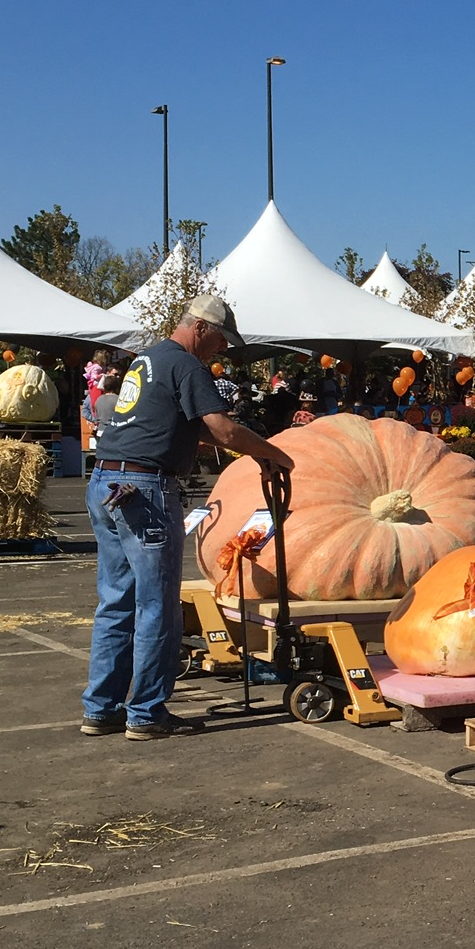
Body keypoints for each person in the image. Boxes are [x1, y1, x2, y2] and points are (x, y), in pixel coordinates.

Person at [83, 295, 293, 742]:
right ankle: (146, 713)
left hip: (106, 481)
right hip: (143, 489)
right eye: (219, 340)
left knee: (117, 601)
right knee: (158, 607)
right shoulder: (187, 364)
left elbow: (183, 425)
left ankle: (101, 709)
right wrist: (274, 453)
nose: (221, 350)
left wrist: (248, 454)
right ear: (200, 328)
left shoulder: (149, 360)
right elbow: (220, 427)